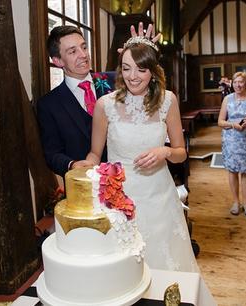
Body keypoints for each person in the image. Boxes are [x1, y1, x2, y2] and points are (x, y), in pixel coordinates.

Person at [85, 36, 199, 272]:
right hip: (119, 198)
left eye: (141, 69)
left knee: (163, 263)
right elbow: (95, 155)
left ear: (154, 71)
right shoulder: (104, 105)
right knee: (124, 267)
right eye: (126, 68)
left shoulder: (168, 101)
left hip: (159, 196)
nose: (132, 76)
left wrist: (165, 151)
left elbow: (181, 153)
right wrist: (81, 168)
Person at [37, 23, 157, 178]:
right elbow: (52, 153)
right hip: (88, 185)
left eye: (84, 47)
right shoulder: (49, 105)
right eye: (73, 51)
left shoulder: (118, 80)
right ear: (58, 61)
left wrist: (143, 55)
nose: (83, 54)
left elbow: (153, 91)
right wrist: (72, 164)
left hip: (131, 175)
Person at [218, 72, 246, 217]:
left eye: (241, 82)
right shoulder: (227, 99)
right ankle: (236, 202)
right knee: (232, 171)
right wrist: (232, 125)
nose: (238, 85)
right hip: (231, 140)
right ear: (232, 83)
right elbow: (220, 121)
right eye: (235, 82)